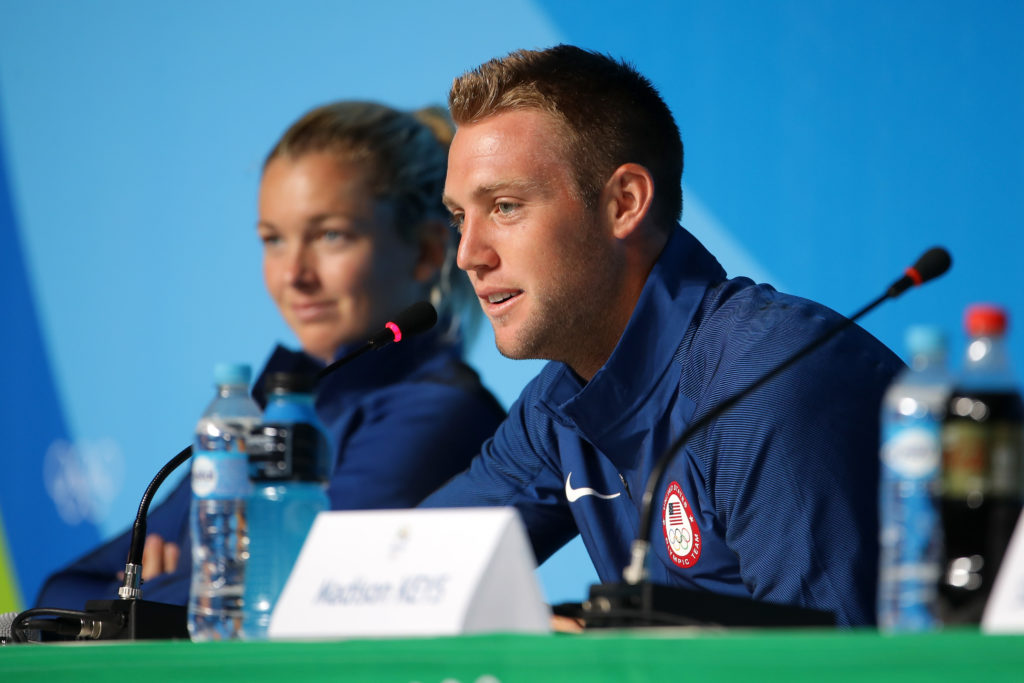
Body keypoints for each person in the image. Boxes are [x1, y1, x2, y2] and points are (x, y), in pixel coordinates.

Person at [422, 45, 903, 627]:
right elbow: (411, 584)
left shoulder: (769, 379)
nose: (470, 255)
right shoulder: (557, 406)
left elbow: (829, 671)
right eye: (459, 218)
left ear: (624, 203)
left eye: (504, 206)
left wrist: (583, 647)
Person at [36, 101, 506, 608]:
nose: (294, 275)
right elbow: (59, 598)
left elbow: (301, 596)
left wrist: (153, 593)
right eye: (274, 240)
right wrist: (167, 592)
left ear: (426, 252)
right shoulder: (261, 412)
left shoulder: (437, 413)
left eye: (330, 235)